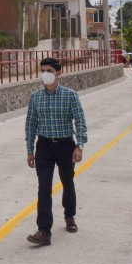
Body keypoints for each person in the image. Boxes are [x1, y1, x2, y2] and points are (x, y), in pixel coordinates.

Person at [25, 57, 88, 246]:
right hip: (44, 146)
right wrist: (29, 150)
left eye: (49, 71)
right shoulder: (36, 97)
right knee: (44, 187)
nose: (46, 74)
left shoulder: (70, 95)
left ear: (58, 73)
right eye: (43, 70)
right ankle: (44, 231)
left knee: (67, 182)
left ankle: (70, 215)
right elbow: (30, 125)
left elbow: (80, 121)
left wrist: (80, 145)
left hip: (65, 145)